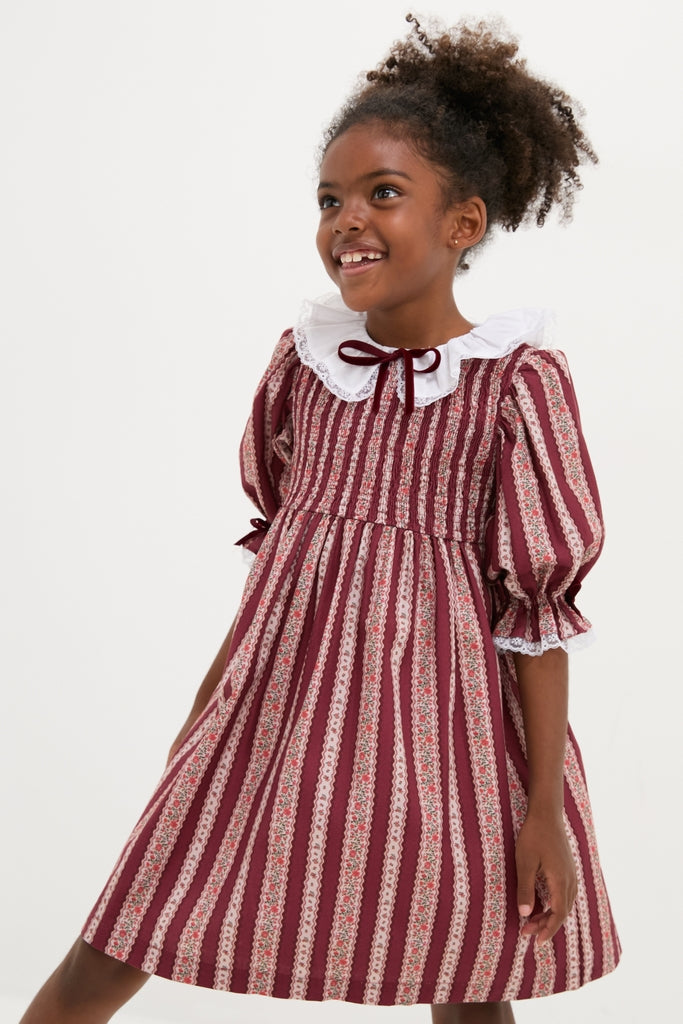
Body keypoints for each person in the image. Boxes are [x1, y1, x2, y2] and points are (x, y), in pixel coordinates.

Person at [19, 13, 620, 1024]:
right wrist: (203, 713)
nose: (348, 219)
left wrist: (539, 813)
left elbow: (536, 609)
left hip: (450, 738)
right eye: (330, 198)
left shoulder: (515, 385)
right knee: (124, 931)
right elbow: (280, 565)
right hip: (278, 710)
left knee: (468, 979)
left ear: (462, 222)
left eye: (384, 193)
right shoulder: (305, 365)